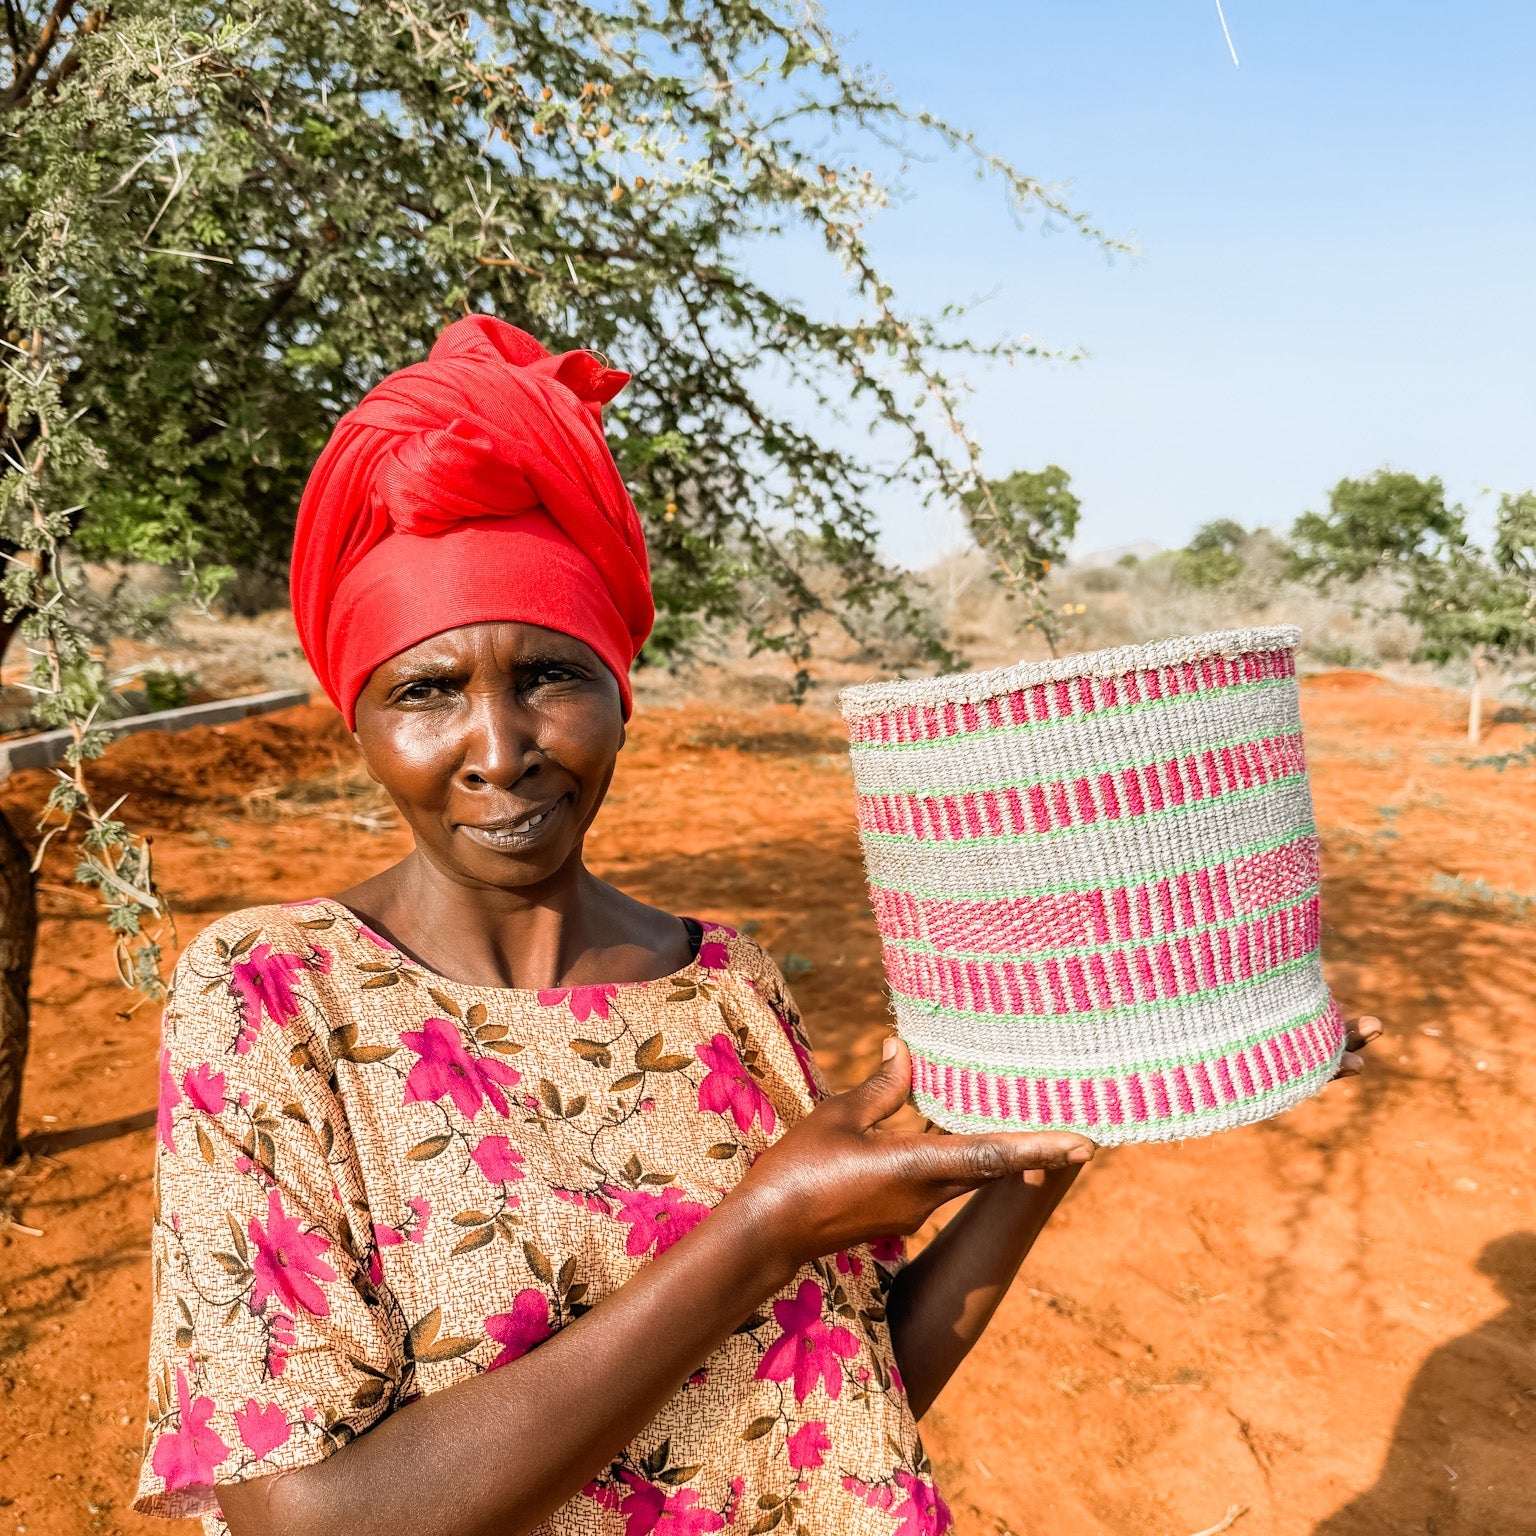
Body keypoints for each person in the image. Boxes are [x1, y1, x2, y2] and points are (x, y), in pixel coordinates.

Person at [133, 316, 1381, 1536]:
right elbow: (304, 1515)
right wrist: (764, 1227)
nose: (501, 750)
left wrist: (1060, 1129)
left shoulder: (725, 983)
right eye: (427, 691)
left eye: (550, 676)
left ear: (619, 690)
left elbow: (836, 1396)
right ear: (356, 717)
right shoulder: (275, 996)